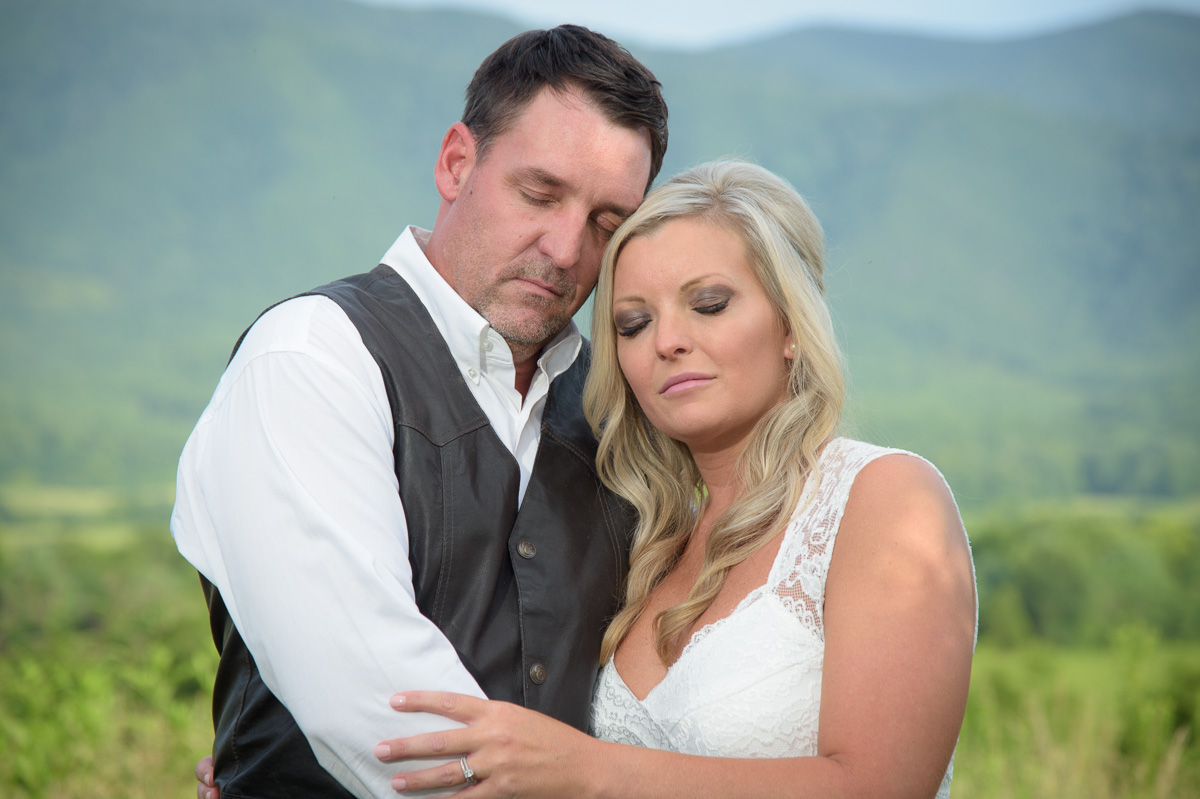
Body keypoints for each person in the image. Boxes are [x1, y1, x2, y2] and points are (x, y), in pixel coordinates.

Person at [370, 160, 978, 797]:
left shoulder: (884, 500)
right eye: (633, 323)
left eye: (708, 304)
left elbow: (883, 787)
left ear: (792, 325)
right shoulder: (642, 541)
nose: (668, 341)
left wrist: (585, 769)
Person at [173, 25, 668, 799]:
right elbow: (390, 720)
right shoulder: (311, 356)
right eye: (540, 194)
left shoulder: (624, 409)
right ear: (456, 162)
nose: (568, 247)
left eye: (608, 221)